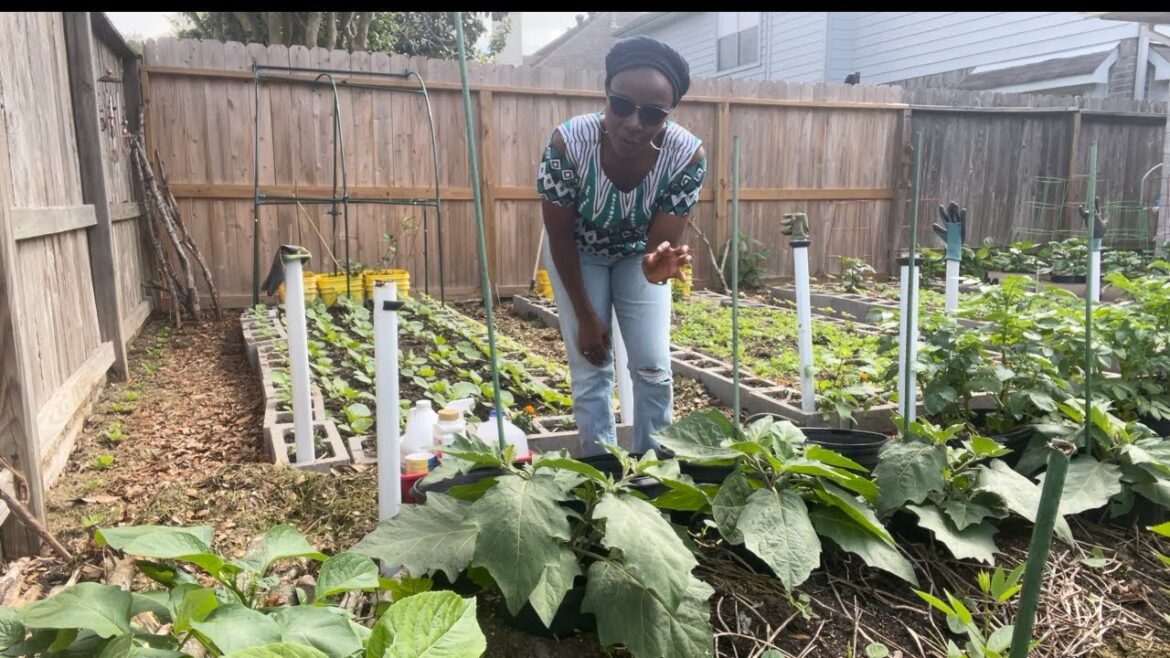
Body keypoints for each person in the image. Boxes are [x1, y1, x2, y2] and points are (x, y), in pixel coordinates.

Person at [535, 36, 707, 456]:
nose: (634, 122)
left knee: (652, 367)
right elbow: (559, 237)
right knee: (591, 366)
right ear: (606, 96)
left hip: (636, 256)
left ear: (667, 115)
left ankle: (653, 470)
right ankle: (602, 472)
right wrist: (585, 315)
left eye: (651, 113)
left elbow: (654, 249)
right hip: (578, 254)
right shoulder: (567, 145)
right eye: (622, 105)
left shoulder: (687, 157)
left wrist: (653, 268)